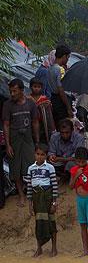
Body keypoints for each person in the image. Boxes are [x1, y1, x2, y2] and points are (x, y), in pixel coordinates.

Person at [3, 79, 40, 207]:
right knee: (15, 167)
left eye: (14, 91)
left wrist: (37, 141)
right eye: (10, 91)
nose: (12, 94)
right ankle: (21, 195)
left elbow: (35, 122)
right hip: (14, 139)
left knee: (31, 165)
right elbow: (6, 125)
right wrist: (8, 145)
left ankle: (32, 192)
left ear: (21, 90)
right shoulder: (7, 105)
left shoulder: (31, 104)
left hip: (28, 137)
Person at [25, 144, 58, 257]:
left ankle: (54, 248)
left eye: (42, 154)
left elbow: (54, 185)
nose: (39, 157)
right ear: (34, 154)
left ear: (46, 155)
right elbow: (29, 187)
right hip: (36, 197)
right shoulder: (31, 168)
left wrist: (54, 202)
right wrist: (29, 204)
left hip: (47, 196)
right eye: (37, 154)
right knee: (38, 223)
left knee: (51, 221)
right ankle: (39, 248)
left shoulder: (50, 167)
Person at [46, 44, 73, 123]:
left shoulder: (50, 68)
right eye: (68, 57)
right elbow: (61, 90)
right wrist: (68, 108)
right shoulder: (60, 69)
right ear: (64, 56)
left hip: (54, 99)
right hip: (61, 102)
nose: (68, 60)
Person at [29, 77, 54, 145]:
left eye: (38, 87)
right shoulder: (28, 98)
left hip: (43, 123)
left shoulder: (44, 98)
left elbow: (49, 111)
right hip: (31, 123)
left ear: (41, 88)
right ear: (31, 87)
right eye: (35, 86)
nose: (36, 88)